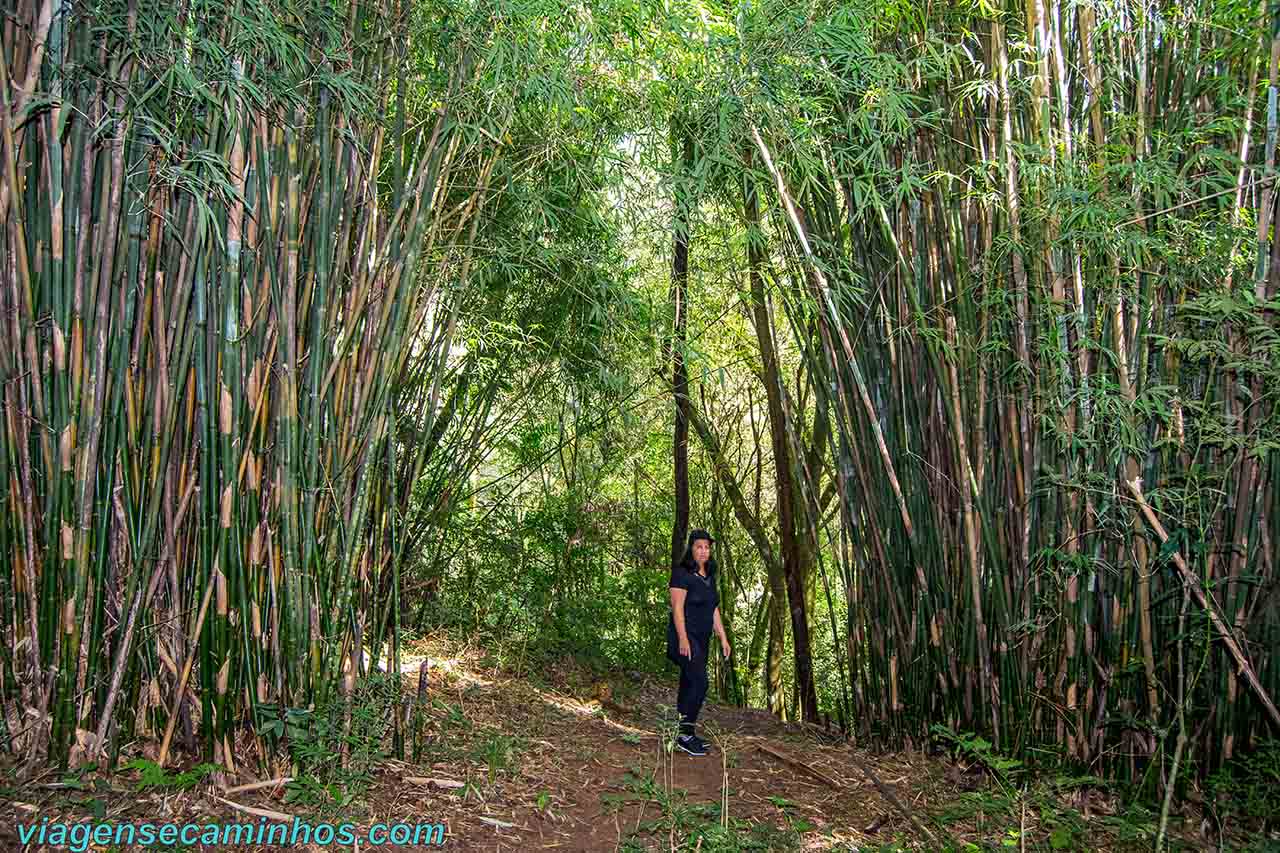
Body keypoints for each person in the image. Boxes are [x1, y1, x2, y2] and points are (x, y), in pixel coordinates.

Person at [666, 528, 731, 756]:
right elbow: (676, 608)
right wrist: (683, 638)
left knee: (688, 682)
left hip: (702, 639)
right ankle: (685, 735)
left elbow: (713, 608)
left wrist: (723, 637)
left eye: (707, 547)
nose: (703, 551)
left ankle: (684, 732)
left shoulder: (709, 575)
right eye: (699, 547)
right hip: (684, 637)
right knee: (700, 683)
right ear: (691, 549)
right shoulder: (681, 573)